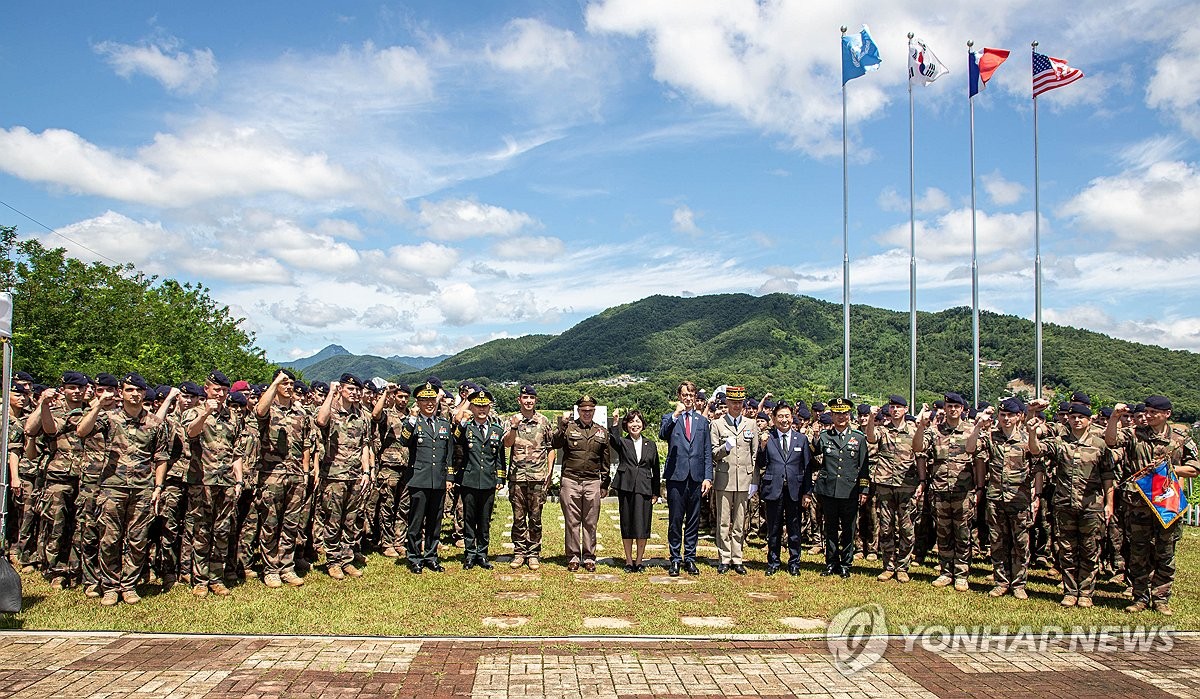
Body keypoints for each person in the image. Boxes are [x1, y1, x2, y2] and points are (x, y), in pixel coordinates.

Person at [76, 373, 169, 606]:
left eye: (138, 390)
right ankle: (109, 586)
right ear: (121, 393)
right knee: (110, 538)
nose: (134, 394)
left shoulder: (156, 423)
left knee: (138, 539)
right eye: (129, 390)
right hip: (112, 486)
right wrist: (97, 405)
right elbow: (81, 431)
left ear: (144, 392)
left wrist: (158, 487)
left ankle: (129, 585)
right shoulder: (110, 418)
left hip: (143, 487)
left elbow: (161, 457)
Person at [1106, 396, 1199, 615]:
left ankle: (1161, 598)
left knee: (1165, 553)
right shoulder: (1135, 433)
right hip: (1139, 505)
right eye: (1146, 411)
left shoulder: (1180, 438)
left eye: (1153, 412)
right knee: (1138, 552)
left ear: (1167, 414)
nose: (1148, 416)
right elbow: (1111, 441)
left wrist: (1169, 470)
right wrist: (1114, 418)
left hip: (1167, 503)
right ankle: (1140, 597)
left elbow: (1194, 468)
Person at [1034, 401, 1114, 608]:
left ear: (1089, 420)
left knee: (1089, 549)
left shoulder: (1099, 444)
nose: (1076, 421)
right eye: (1072, 417)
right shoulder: (1060, 442)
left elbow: (1107, 475)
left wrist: (1109, 503)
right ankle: (1070, 591)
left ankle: (1086, 592)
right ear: (1067, 420)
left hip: (1090, 505)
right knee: (1067, 549)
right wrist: (1032, 433)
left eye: (1081, 417)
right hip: (1064, 504)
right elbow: (1036, 450)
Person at [966, 398, 1041, 600]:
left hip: (1019, 498)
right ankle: (1001, 582)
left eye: (1010, 415)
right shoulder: (991, 437)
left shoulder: (1026, 438)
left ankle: (1018, 584)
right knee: (998, 542)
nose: (1006, 418)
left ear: (1018, 417)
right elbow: (971, 449)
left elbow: (1037, 458)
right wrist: (977, 427)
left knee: (1020, 542)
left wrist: (1037, 495)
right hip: (996, 498)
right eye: (1002, 415)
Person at [24, 371, 89, 589]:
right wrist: (43, 403)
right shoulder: (52, 410)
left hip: (86, 477)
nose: (77, 391)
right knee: (56, 524)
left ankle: (77, 569)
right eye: (72, 387)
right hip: (58, 476)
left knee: (82, 526)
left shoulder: (91, 411)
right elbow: (31, 429)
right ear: (64, 389)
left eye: (80, 388)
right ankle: (56, 570)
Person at [182, 370, 244, 597]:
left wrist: (238, 480)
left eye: (224, 390)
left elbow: (237, 451)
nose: (220, 394)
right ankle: (199, 580)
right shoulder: (194, 413)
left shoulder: (233, 417)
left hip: (226, 481)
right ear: (206, 389)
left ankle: (216, 578)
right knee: (201, 531)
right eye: (216, 390)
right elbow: (190, 433)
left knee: (222, 531)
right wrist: (206, 413)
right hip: (202, 481)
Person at [914, 392, 980, 591]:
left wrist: (979, 489)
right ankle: (945, 571)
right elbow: (918, 448)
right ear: (944, 408)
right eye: (949, 406)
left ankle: (961, 574)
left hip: (963, 491)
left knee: (962, 533)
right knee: (943, 533)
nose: (952, 410)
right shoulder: (935, 431)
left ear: (962, 409)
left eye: (956, 407)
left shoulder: (970, 430)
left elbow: (977, 459)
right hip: (940, 490)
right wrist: (920, 426)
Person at [254, 369, 312, 589]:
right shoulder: (269, 410)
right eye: (284, 383)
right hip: (272, 475)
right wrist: (274, 382)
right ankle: (270, 569)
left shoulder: (300, 413)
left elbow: (306, 444)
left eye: (291, 383)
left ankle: (286, 566)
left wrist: (305, 473)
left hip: (295, 475)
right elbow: (259, 410)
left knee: (290, 523)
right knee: (270, 523)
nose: (288, 386)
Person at [314, 374, 372, 580]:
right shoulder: (332, 411)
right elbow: (320, 421)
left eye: (357, 390)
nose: (354, 393)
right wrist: (331, 393)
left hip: (355, 475)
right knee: (333, 519)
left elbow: (365, 445)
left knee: (350, 520)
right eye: (350, 389)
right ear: (341, 390)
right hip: (334, 475)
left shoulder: (362, 415)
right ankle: (332, 561)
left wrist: (366, 471)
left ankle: (346, 559)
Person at [807, 397, 869, 578]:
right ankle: (831, 562)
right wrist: (815, 437)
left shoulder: (858, 438)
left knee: (849, 528)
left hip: (849, 489)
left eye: (844, 414)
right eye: (836, 414)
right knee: (830, 527)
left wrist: (863, 489)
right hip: (829, 489)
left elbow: (863, 466)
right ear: (832, 416)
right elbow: (812, 452)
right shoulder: (826, 436)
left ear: (849, 415)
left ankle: (846, 563)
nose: (840, 417)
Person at [864, 395, 924, 583]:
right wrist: (872, 419)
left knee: (906, 528)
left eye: (899, 407)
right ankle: (888, 565)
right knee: (886, 527)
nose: (895, 410)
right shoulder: (883, 429)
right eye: (892, 407)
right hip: (885, 484)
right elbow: (871, 437)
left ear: (906, 409)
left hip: (907, 485)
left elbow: (920, 452)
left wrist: (922, 481)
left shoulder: (914, 430)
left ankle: (902, 566)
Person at [659, 381, 713, 577]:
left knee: (693, 520)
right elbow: (663, 433)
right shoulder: (670, 418)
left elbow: (707, 451)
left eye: (691, 395)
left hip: (696, 476)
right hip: (676, 476)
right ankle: (674, 558)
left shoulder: (702, 422)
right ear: (679, 397)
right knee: (675, 519)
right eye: (685, 395)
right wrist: (675, 415)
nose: (688, 399)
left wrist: (708, 476)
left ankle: (690, 557)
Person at [399, 381, 453, 573]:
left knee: (434, 521)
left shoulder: (444, 424)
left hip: (438, 479)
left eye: (432, 400)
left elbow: (449, 453)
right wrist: (412, 419)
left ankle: (431, 556)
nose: (429, 403)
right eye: (425, 400)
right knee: (416, 520)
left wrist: (449, 478)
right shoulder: (413, 422)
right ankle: (414, 557)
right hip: (419, 478)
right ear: (418, 402)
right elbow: (404, 441)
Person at [552, 394, 610, 572]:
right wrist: (562, 425)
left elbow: (605, 460)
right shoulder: (569, 428)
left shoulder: (601, 432)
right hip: (571, 479)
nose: (587, 413)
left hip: (592, 480)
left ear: (594, 411)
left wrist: (604, 484)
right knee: (572, 521)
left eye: (590, 411)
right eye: (583, 410)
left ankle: (590, 557)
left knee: (590, 521)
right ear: (578, 411)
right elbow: (555, 443)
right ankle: (573, 556)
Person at [451, 389, 505, 569]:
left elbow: (499, 457)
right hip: (469, 479)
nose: (481, 409)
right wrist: (463, 422)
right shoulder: (466, 427)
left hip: (488, 480)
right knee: (469, 518)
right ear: (472, 407)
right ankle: (469, 553)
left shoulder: (496, 430)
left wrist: (500, 479)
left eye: (485, 406)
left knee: (484, 520)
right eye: (478, 406)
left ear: (489, 407)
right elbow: (455, 440)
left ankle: (482, 553)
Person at [756, 402, 812, 575]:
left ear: (792, 417)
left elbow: (807, 468)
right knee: (774, 528)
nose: (784, 420)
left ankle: (794, 562)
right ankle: (773, 562)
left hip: (795, 490)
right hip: (774, 489)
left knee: (794, 528)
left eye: (787, 416)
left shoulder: (801, 439)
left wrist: (807, 492)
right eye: (780, 416)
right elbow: (761, 463)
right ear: (773, 419)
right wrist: (762, 448)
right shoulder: (768, 438)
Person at [502, 385, 554, 570]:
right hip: (517, 477)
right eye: (525, 397)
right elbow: (507, 443)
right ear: (519, 400)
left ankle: (533, 553)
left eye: (532, 397)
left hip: (538, 477)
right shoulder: (512, 420)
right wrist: (515, 426)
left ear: (535, 400)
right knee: (518, 517)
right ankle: (519, 552)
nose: (529, 401)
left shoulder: (543, 421)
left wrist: (549, 473)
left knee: (535, 517)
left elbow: (550, 448)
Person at [709, 386, 759, 575]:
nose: (737, 406)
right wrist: (725, 448)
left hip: (744, 479)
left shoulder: (750, 424)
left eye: (740, 402)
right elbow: (713, 453)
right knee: (723, 521)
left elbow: (755, 454)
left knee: (740, 520)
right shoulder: (717, 424)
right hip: (724, 478)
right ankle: (724, 557)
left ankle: (737, 558)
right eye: (733, 402)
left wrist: (754, 479)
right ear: (727, 403)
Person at [608, 408, 660, 572]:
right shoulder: (623, 442)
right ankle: (629, 560)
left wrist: (656, 492)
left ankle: (639, 560)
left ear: (643, 424)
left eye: (638, 421)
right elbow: (613, 440)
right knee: (628, 523)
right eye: (631, 421)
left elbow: (656, 469)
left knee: (642, 524)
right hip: (626, 486)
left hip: (645, 488)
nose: (635, 424)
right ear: (626, 425)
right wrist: (615, 422)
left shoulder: (650, 444)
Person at [371, 383, 412, 560]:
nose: (403, 400)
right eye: (400, 396)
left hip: (408, 467)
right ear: (394, 397)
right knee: (387, 507)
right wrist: (385, 393)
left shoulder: (412, 416)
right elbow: (375, 414)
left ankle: (399, 541)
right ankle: (386, 543)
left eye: (405, 397)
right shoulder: (388, 414)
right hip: (389, 468)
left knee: (404, 507)